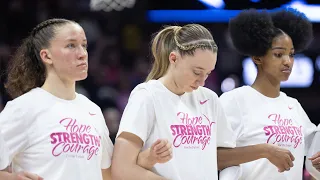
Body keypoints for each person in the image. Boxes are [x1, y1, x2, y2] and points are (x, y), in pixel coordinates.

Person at [0, 18, 172, 180]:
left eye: (84, 46)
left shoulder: (92, 111)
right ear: (46, 56)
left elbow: (108, 174)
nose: (82, 54)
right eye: (71, 45)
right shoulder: (23, 108)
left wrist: (147, 158)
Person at [111, 24, 236, 180]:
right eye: (197, 72)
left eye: (207, 74)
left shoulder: (210, 99)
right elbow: (121, 169)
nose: (202, 82)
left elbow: (230, 160)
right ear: (174, 58)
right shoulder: (147, 96)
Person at [217, 8, 317, 180]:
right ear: (257, 57)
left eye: (291, 55)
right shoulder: (233, 100)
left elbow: (313, 160)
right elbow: (210, 158)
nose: (288, 62)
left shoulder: (293, 107)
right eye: (278, 54)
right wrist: (264, 150)